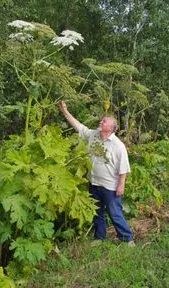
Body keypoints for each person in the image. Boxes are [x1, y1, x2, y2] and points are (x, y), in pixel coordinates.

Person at [58, 101, 134, 246]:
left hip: (110, 187)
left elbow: (123, 168)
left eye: (104, 121)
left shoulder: (118, 146)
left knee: (115, 214)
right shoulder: (93, 135)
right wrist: (65, 111)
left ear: (111, 128)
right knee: (96, 213)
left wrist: (121, 186)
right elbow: (78, 126)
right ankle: (100, 237)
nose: (101, 121)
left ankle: (127, 239)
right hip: (94, 183)